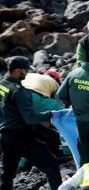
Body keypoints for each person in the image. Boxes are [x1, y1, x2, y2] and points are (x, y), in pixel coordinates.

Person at [0, 56, 62, 190]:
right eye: (25, 70)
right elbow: (31, 118)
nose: (27, 73)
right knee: (51, 165)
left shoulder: (2, 85)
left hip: (5, 137)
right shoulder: (20, 92)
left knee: (7, 175)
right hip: (22, 138)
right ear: (17, 71)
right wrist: (51, 114)